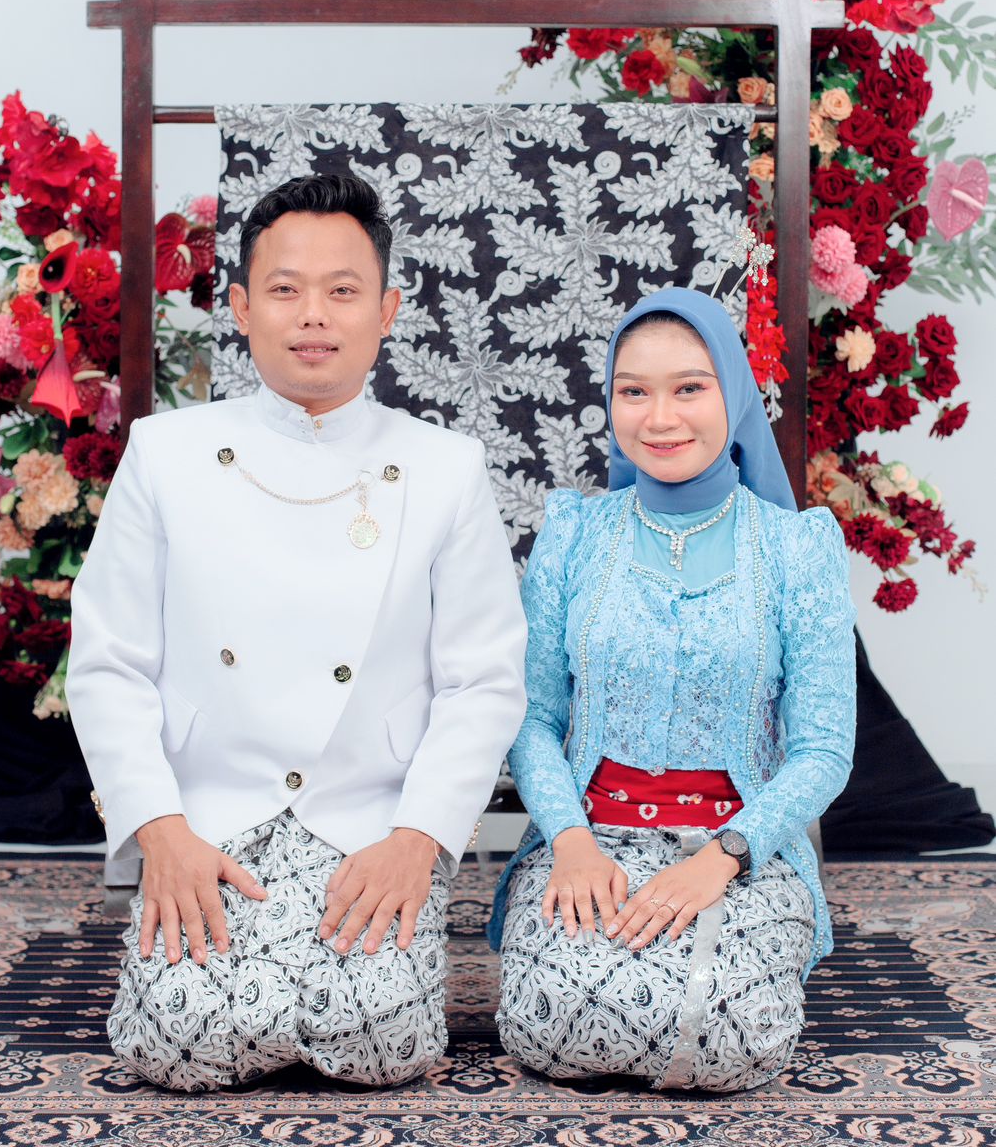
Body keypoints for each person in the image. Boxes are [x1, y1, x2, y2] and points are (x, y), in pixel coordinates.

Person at [67, 171, 527, 1092]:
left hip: (371, 819)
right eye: (285, 288)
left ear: (386, 310)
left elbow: (483, 679)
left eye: (342, 290)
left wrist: (419, 838)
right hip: (209, 814)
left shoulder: (445, 467)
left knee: (380, 1045)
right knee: (180, 1044)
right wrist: (160, 830)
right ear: (242, 307)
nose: (313, 314)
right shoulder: (166, 453)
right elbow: (109, 660)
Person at [490, 288, 856, 1091]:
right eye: (633, 392)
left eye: (689, 388)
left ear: (734, 393)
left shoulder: (797, 549)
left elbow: (824, 750)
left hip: (740, 850)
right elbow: (532, 717)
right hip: (590, 841)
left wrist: (723, 857)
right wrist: (570, 843)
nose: (659, 418)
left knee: (733, 1035)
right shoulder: (574, 534)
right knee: (548, 1018)